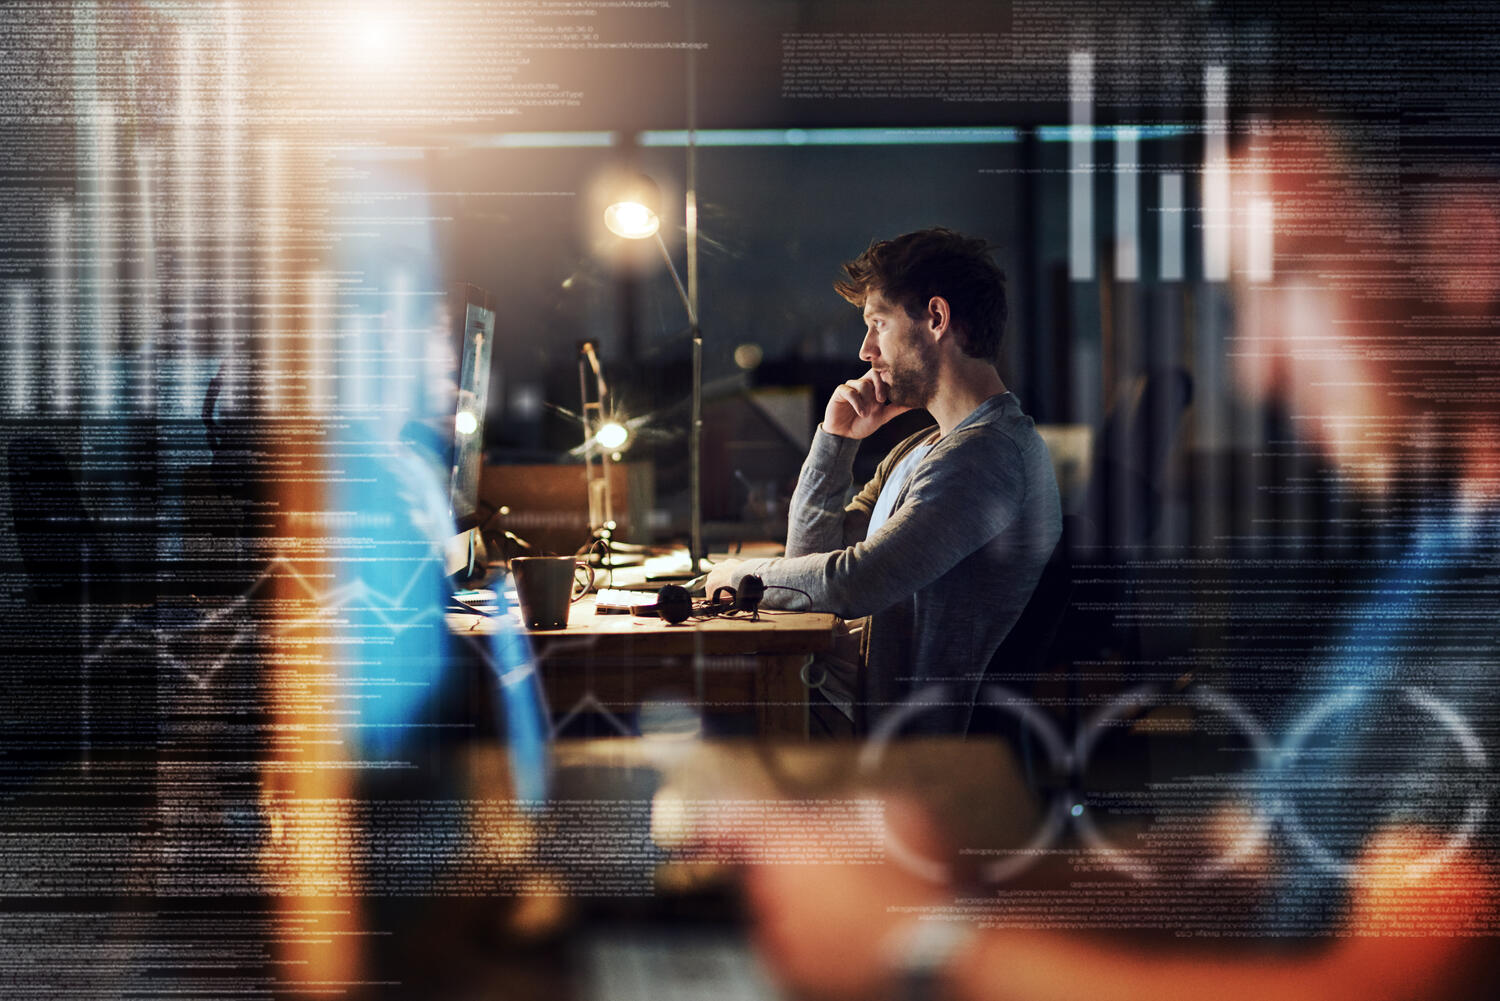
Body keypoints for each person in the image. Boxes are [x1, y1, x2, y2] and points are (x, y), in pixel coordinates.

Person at [733, 122, 1500, 1000]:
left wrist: (928, 947)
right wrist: (960, 894)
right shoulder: (1443, 556)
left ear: (1465, 249)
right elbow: (1251, 849)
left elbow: (1393, 982)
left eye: (1294, 276)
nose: (1257, 369)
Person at [706, 228, 1062, 735]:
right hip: (850, 704)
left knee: (669, 712)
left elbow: (854, 582)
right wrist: (835, 440)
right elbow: (812, 559)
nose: (865, 350)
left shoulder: (987, 456)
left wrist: (738, 577)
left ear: (936, 319)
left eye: (879, 324)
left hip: (893, 738)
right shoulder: (923, 447)